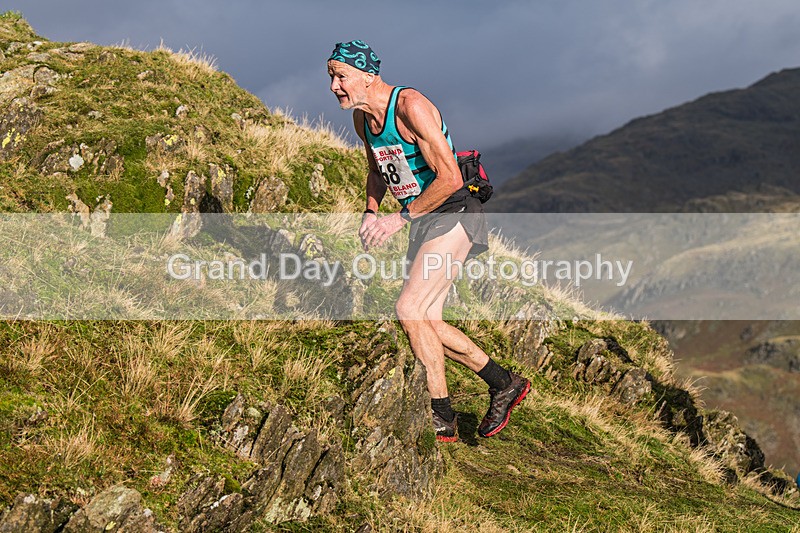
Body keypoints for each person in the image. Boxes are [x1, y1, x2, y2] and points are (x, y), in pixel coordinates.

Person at [327, 40, 530, 442]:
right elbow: (375, 170)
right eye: (331, 77)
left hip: (454, 213)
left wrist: (397, 219)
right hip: (423, 219)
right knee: (428, 320)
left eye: (341, 76)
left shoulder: (410, 107)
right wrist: (371, 213)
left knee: (409, 308)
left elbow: (451, 177)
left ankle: (441, 415)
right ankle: (504, 383)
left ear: (369, 76)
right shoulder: (362, 120)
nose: (334, 85)